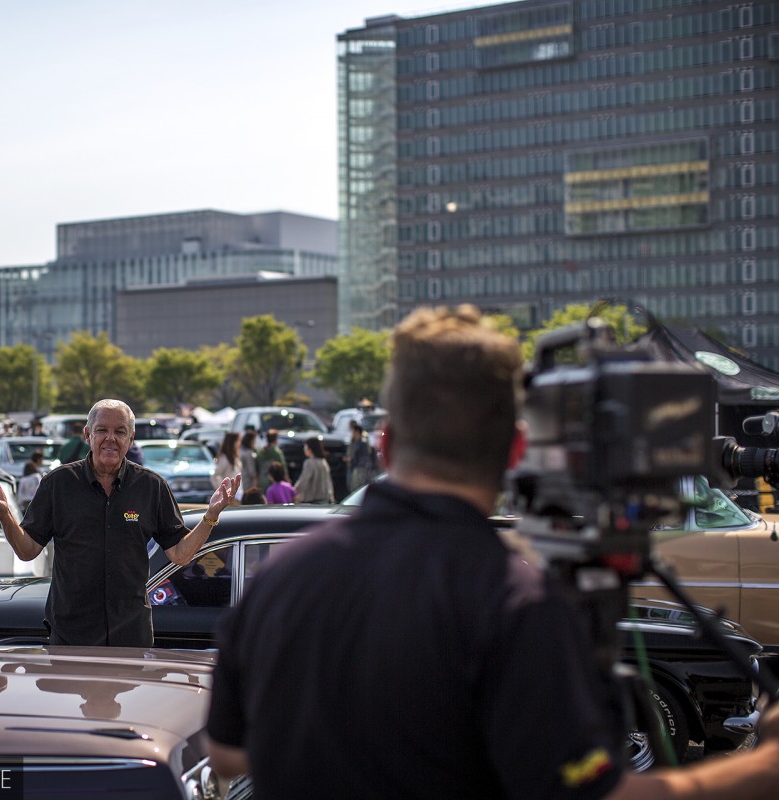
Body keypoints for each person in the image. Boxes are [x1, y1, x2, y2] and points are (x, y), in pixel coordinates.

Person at [206, 304, 779, 799]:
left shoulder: (279, 574)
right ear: (515, 449)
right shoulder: (516, 602)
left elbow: (228, 753)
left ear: (386, 444)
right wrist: (765, 766)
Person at [0, 399, 240, 647]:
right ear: (87, 434)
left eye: (120, 431)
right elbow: (27, 550)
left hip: (130, 635)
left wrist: (211, 516)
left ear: (131, 439)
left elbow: (180, 554)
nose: (110, 438)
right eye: (102, 430)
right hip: (71, 634)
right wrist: (4, 512)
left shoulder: (151, 487)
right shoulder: (57, 484)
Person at [292, 437, 334, 504]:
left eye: (305, 447)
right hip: (325, 499)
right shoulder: (323, 461)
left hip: (312, 501)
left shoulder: (309, 463)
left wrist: (293, 492)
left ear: (310, 449)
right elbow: (328, 482)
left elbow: (303, 480)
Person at [345, 419, 377, 492]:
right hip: (356, 465)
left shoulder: (362, 441)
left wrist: (351, 459)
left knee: (358, 487)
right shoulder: (354, 440)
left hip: (361, 466)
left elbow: (365, 452)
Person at [255, 429, 286, 494]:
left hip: (261, 480)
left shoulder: (260, 451)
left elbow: (256, 467)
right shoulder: (276, 452)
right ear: (275, 439)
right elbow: (283, 467)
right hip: (273, 481)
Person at [239, 429, 259, 495]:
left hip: (244, 478)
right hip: (249, 481)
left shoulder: (241, 450)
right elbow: (252, 472)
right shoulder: (248, 453)